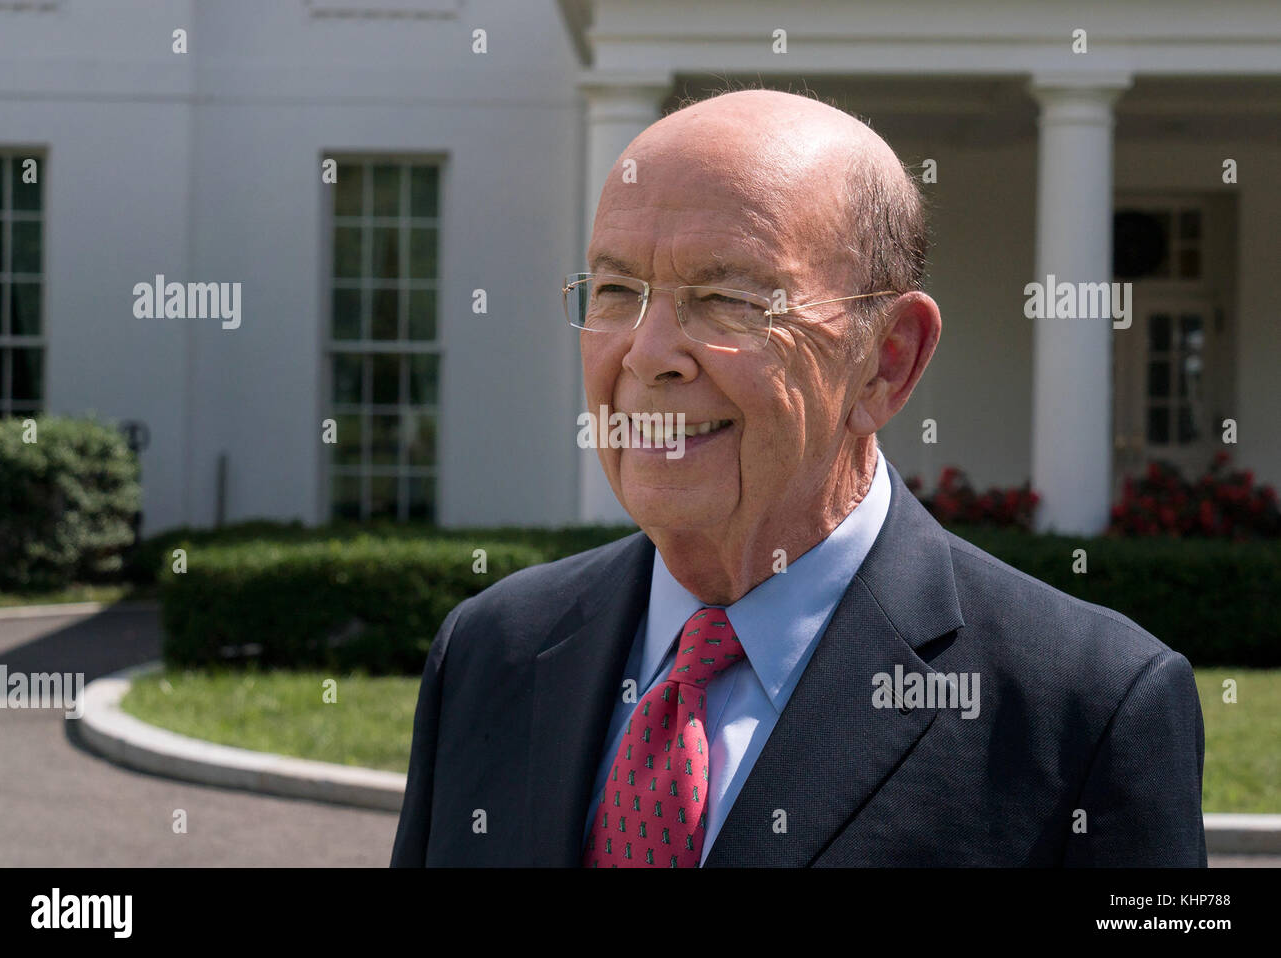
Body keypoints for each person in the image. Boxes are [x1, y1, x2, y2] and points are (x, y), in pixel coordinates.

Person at [390, 88, 1206, 867]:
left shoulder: (1088, 710)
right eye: (615, 291)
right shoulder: (489, 652)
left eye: (728, 299)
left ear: (887, 362)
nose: (645, 355)